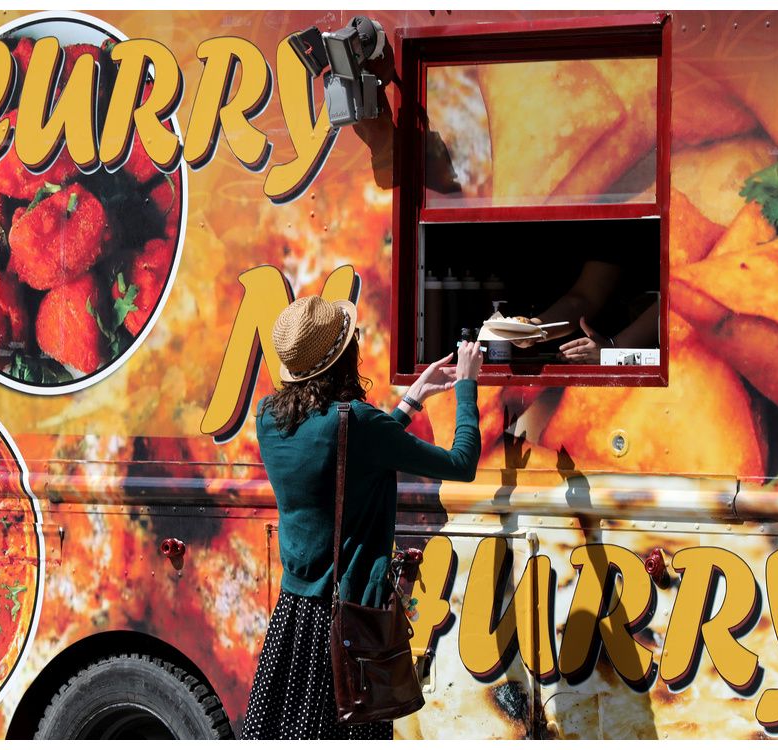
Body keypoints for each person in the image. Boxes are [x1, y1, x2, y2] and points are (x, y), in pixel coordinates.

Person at [240, 295, 483, 740]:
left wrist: (411, 401)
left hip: (293, 619)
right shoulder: (360, 424)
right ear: (345, 357)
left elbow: (343, 456)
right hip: (349, 623)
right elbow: (461, 462)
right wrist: (467, 386)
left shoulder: (268, 419)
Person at [515, 259, 659, 362]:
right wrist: (534, 328)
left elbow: (676, 300)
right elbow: (585, 295)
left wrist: (614, 351)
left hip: (669, 363)